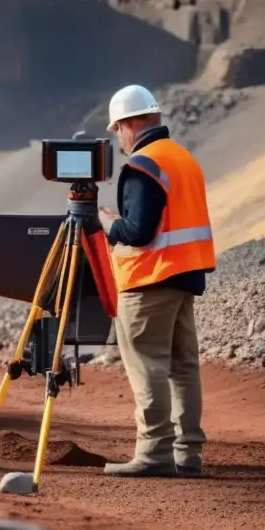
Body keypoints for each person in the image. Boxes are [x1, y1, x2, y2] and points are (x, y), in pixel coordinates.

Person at [99, 84, 216, 478]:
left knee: (147, 363)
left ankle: (153, 452)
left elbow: (138, 231)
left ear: (133, 122)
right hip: (185, 276)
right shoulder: (184, 159)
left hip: (149, 279)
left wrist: (108, 223)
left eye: (118, 128)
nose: (118, 137)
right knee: (184, 366)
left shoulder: (143, 165)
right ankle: (188, 453)